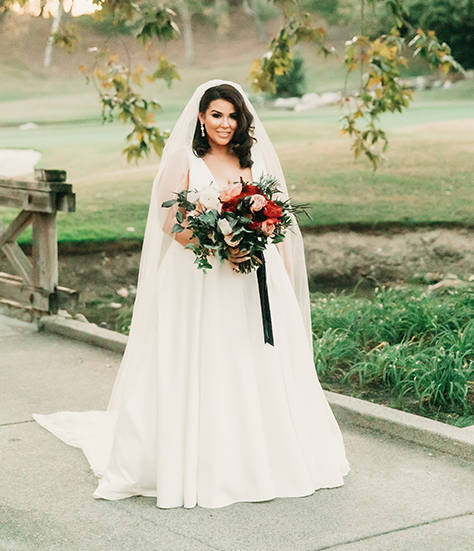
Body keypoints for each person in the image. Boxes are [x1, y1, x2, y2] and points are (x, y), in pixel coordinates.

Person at [33, 79, 349, 509]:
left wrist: (280, 282)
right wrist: (219, 246)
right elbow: (169, 221)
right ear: (201, 117)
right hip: (200, 276)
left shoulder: (252, 163)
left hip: (255, 276)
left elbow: (278, 229)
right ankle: (196, 458)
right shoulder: (187, 159)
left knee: (252, 358)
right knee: (204, 356)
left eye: (233, 115)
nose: (224, 123)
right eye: (216, 114)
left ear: (243, 120)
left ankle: (263, 456)